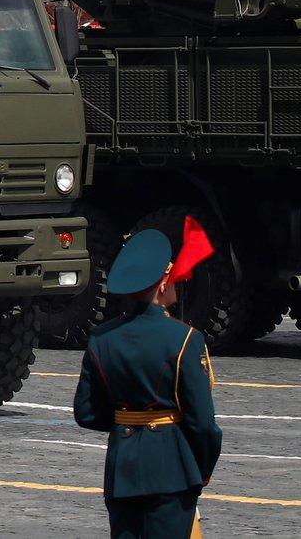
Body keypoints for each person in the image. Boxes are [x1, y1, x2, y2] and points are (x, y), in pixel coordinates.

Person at [73, 226, 223, 538]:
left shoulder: (102, 339)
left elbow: (86, 412)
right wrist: (201, 471)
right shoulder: (185, 340)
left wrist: (129, 422)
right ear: (162, 284)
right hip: (172, 471)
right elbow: (203, 425)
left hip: (122, 470)